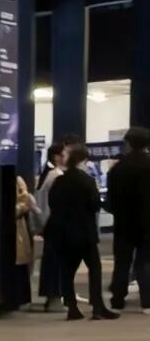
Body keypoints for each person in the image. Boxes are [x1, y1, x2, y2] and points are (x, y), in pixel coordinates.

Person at [47, 145, 119, 321]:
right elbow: (94, 205)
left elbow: (52, 204)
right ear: (83, 161)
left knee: (67, 271)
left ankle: (72, 307)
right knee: (94, 268)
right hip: (85, 232)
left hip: (64, 232)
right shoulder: (87, 181)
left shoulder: (59, 181)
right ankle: (97, 307)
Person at [105, 126, 150, 313]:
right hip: (147, 223)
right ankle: (147, 301)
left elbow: (110, 201)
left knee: (122, 262)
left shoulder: (117, 169)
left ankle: (117, 299)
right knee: (145, 261)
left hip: (123, 223)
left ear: (128, 143)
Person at [36, 143, 67, 310]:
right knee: (55, 262)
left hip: (49, 223)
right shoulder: (57, 176)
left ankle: (52, 297)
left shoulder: (49, 174)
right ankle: (54, 297)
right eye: (65, 153)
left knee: (51, 261)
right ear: (57, 157)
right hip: (55, 223)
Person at [12, 176, 39, 309]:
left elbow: (24, 198)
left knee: (21, 265)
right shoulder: (18, 180)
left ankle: (21, 297)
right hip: (18, 229)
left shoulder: (17, 180)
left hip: (19, 229)